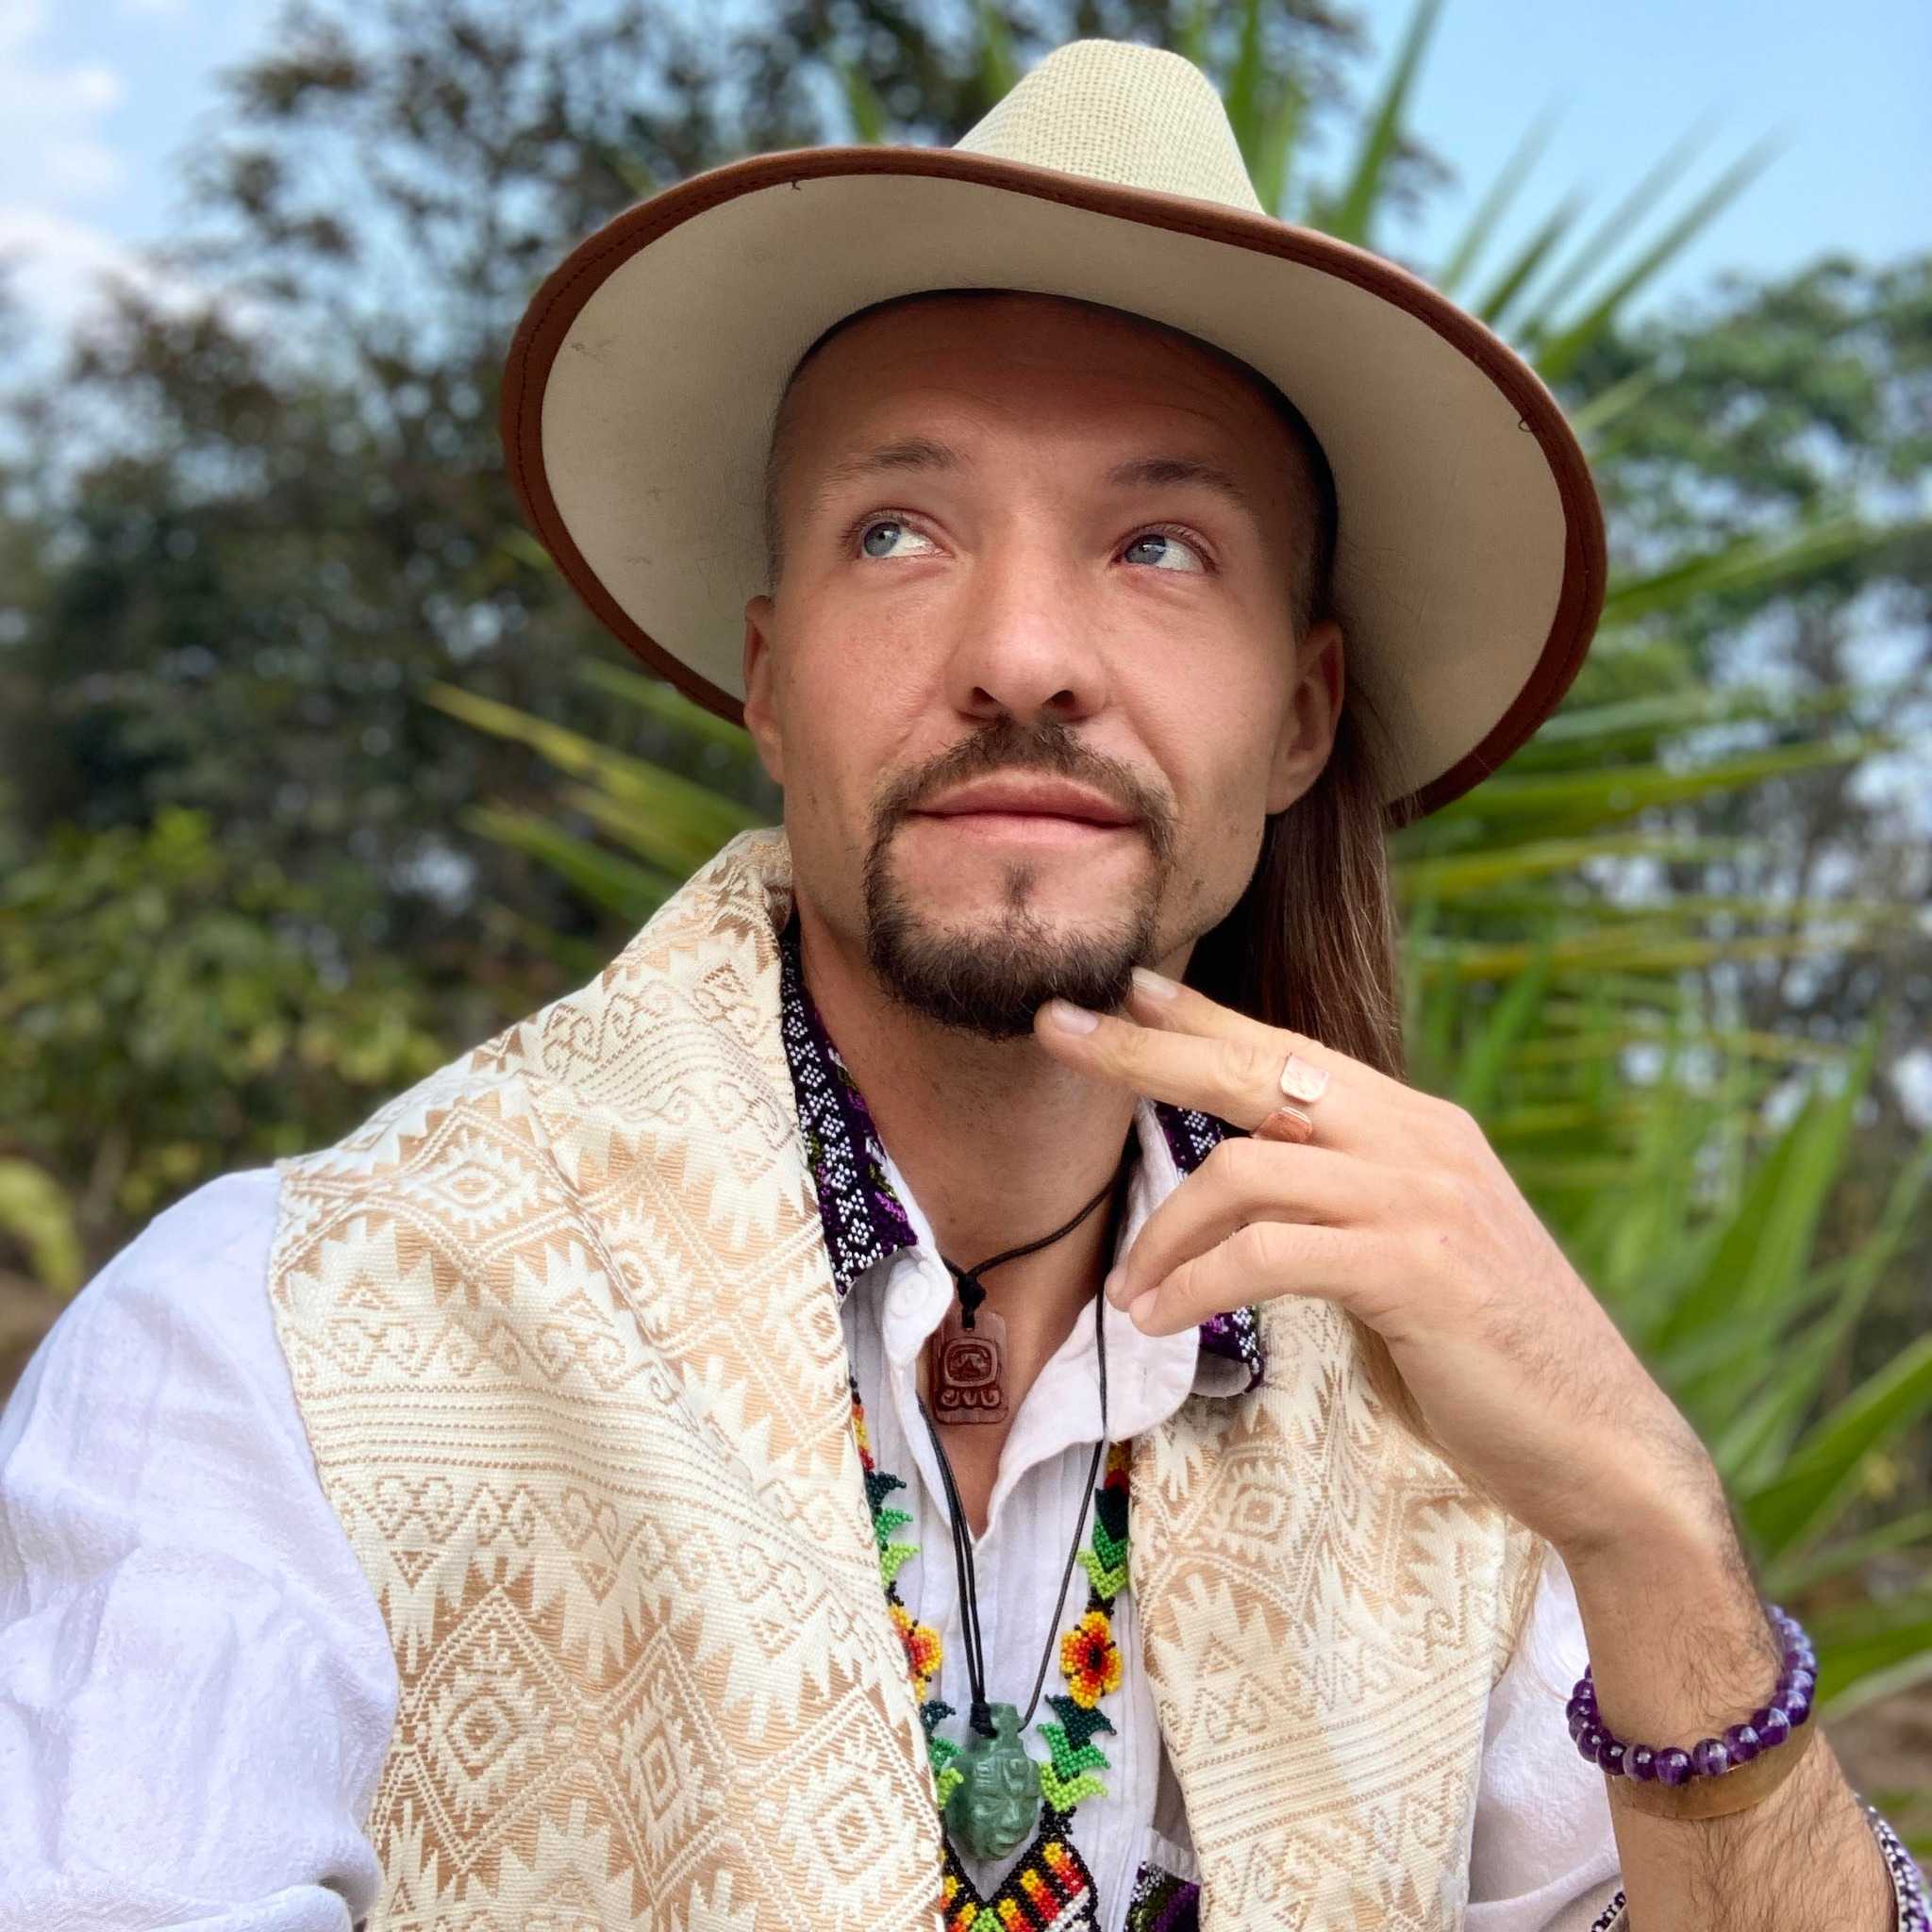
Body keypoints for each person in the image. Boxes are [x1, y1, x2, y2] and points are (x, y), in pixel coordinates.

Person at [0, 36, 1924, 1932]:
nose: (1021, 651)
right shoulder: (287, 1343)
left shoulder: (1444, 1453)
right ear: (769, 681)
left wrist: (1649, 1522)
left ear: (1301, 714)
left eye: (1159, 546)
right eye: (898, 532)